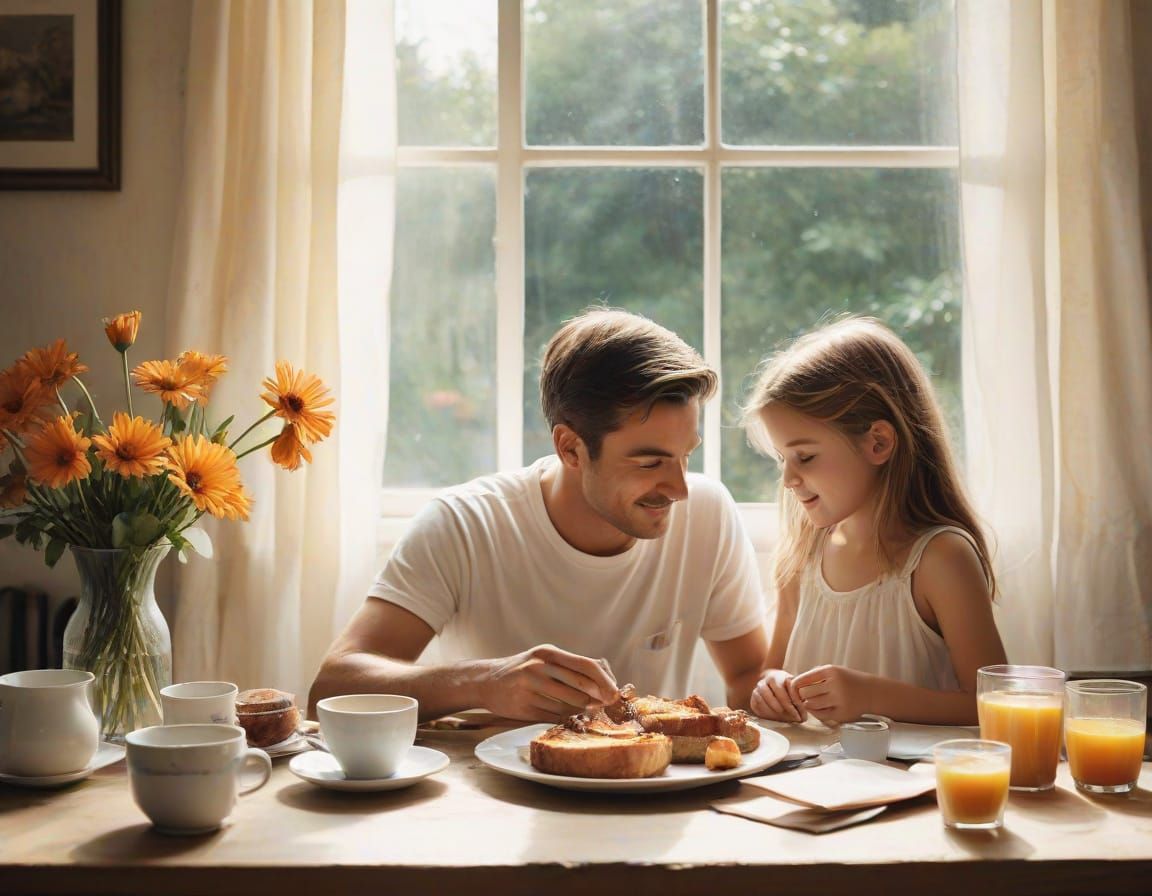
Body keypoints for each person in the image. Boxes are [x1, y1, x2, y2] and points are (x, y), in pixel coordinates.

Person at [310, 308, 768, 722]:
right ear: (570, 447)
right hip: (490, 800)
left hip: (651, 795)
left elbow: (748, 673)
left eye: (686, 455)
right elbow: (331, 687)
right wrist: (483, 683)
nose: (679, 488)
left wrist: (786, 693)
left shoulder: (707, 513)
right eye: (649, 463)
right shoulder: (466, 524)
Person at [742, 316, 1007, 726]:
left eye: (805, 457)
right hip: (807, 785)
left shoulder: (940, 560)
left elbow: (993, 704)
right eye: (782, 459)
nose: (789, 479)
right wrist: (771, 689)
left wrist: (870, 696)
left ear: (878, 442)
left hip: (912, 785)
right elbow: (770, 672)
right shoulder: (803, 554)